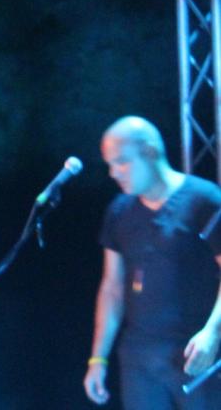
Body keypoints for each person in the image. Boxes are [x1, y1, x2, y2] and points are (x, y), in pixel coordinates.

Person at [83, 116, 221, 409]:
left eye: (121, 162)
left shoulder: (204, 200)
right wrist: (98, 358)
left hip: (194, 352)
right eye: (109, 165)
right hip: (139, 357)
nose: (113, 173)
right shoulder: (119, 211)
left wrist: (212, 333)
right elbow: (112, 288)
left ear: (150, 152)